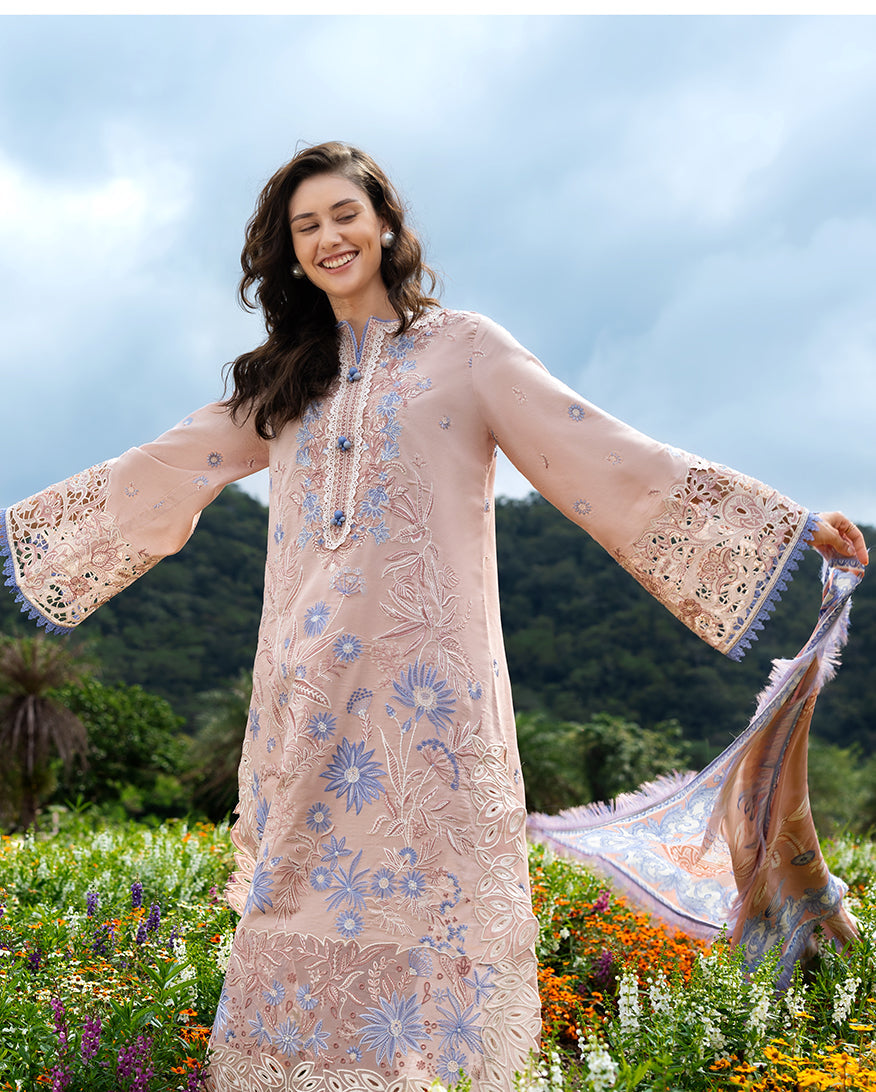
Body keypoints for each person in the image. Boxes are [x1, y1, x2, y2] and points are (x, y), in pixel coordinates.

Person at [0, 141, 867, 1092]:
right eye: (306, 227)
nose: (329, 238)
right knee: (297, 898)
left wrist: (783, 523)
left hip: (434, 701)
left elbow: (604, 453)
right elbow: (164, 465)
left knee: (437, 903)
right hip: (309, 698)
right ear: (290, 254)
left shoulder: (468, 350)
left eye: (344, 215)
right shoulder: (284, 381)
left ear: (385, 225)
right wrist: (23, 533)